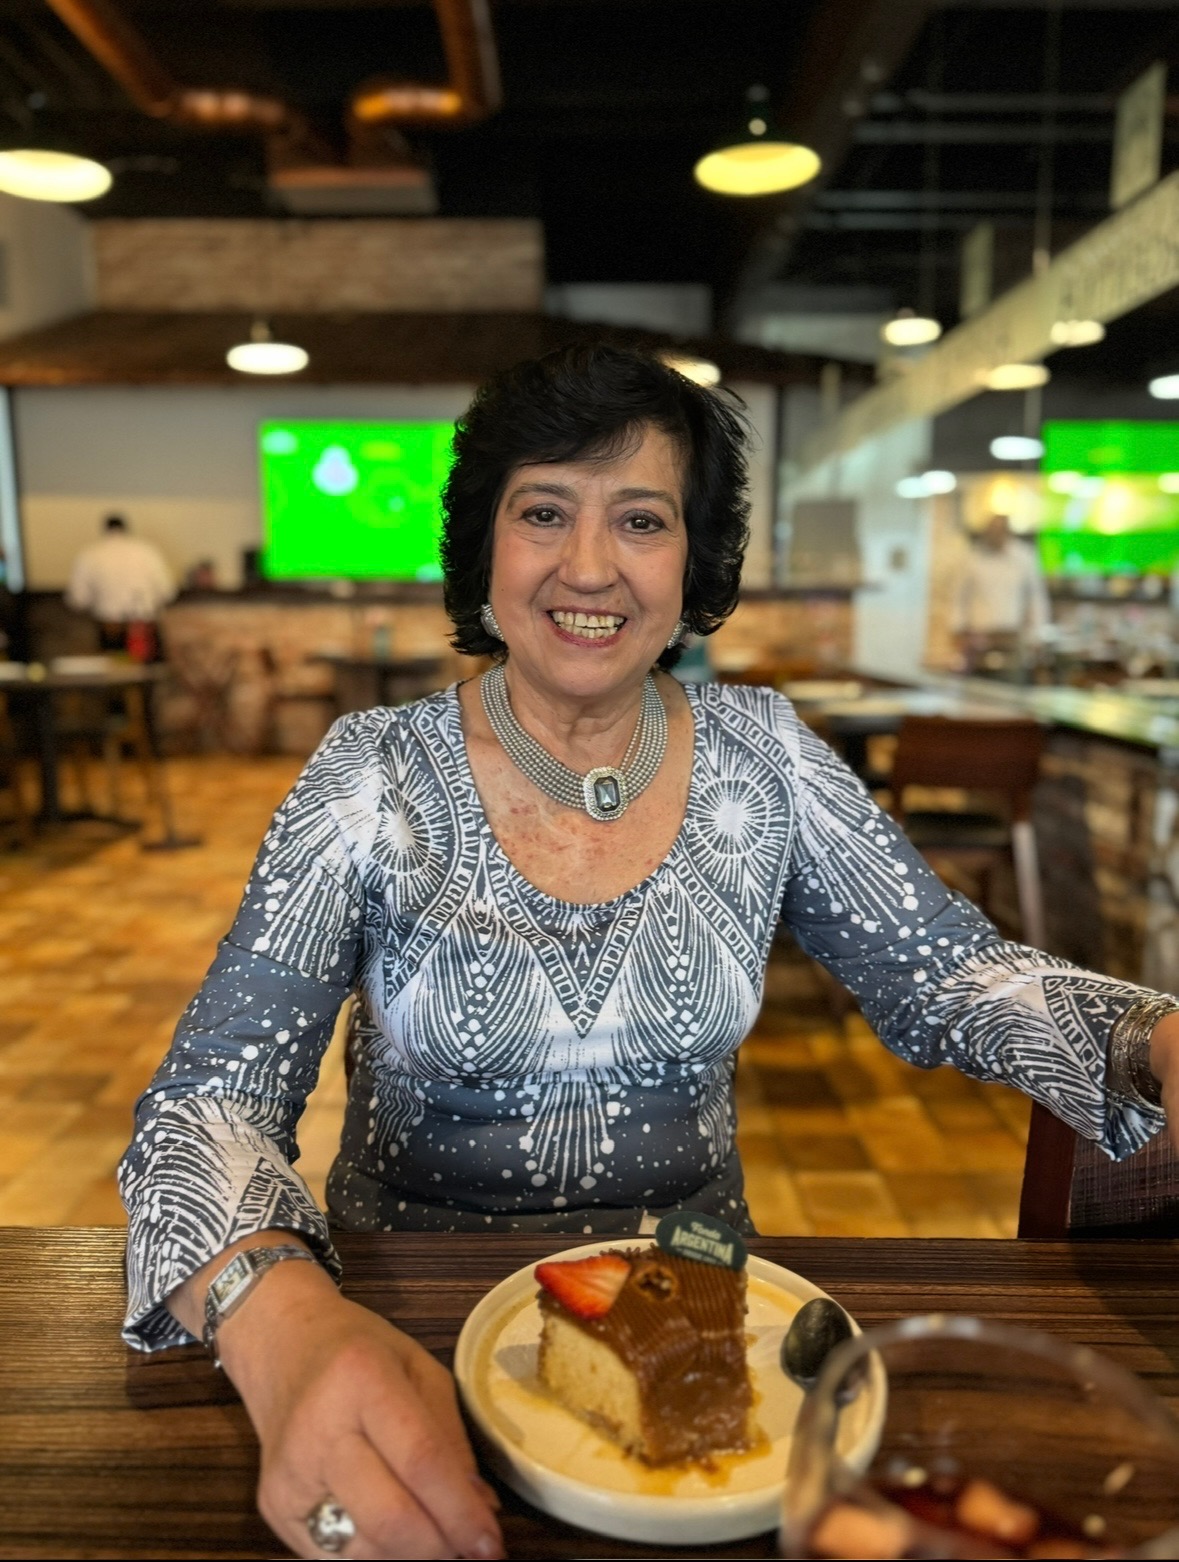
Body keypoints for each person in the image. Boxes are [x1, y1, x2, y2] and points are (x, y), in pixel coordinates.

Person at [119, 346, 1179, 1561]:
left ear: (693, 557)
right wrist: (282, 1316)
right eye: (543, 511)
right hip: (406, 1330)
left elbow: (948, 973)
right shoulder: (371, 773)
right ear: (484, 546)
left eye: (640, 518)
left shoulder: (768, 756)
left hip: (710, 1332)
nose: (588, 565)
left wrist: (1153, 1036)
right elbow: (204, 1103)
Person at [951, 513, 1049, 675]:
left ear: (1008, 532)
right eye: (992, 531)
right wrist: (958, 629)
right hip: (979, 635)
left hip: (1012, 636)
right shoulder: (972, 558)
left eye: (999, 531)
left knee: (1011, 679)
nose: (995, 536)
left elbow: (1036, 598)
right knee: (977, 682)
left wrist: (1036, 634)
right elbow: (959, 597)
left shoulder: (1024, 557)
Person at [66, 514, 176, 655]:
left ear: (105, 530)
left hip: (110, 627)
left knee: (115, 667)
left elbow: (78, 599)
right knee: (147, 666)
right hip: (144, 625)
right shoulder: (148, 551)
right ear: (126, 529)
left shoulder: (90, 554)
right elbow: (167, 592)